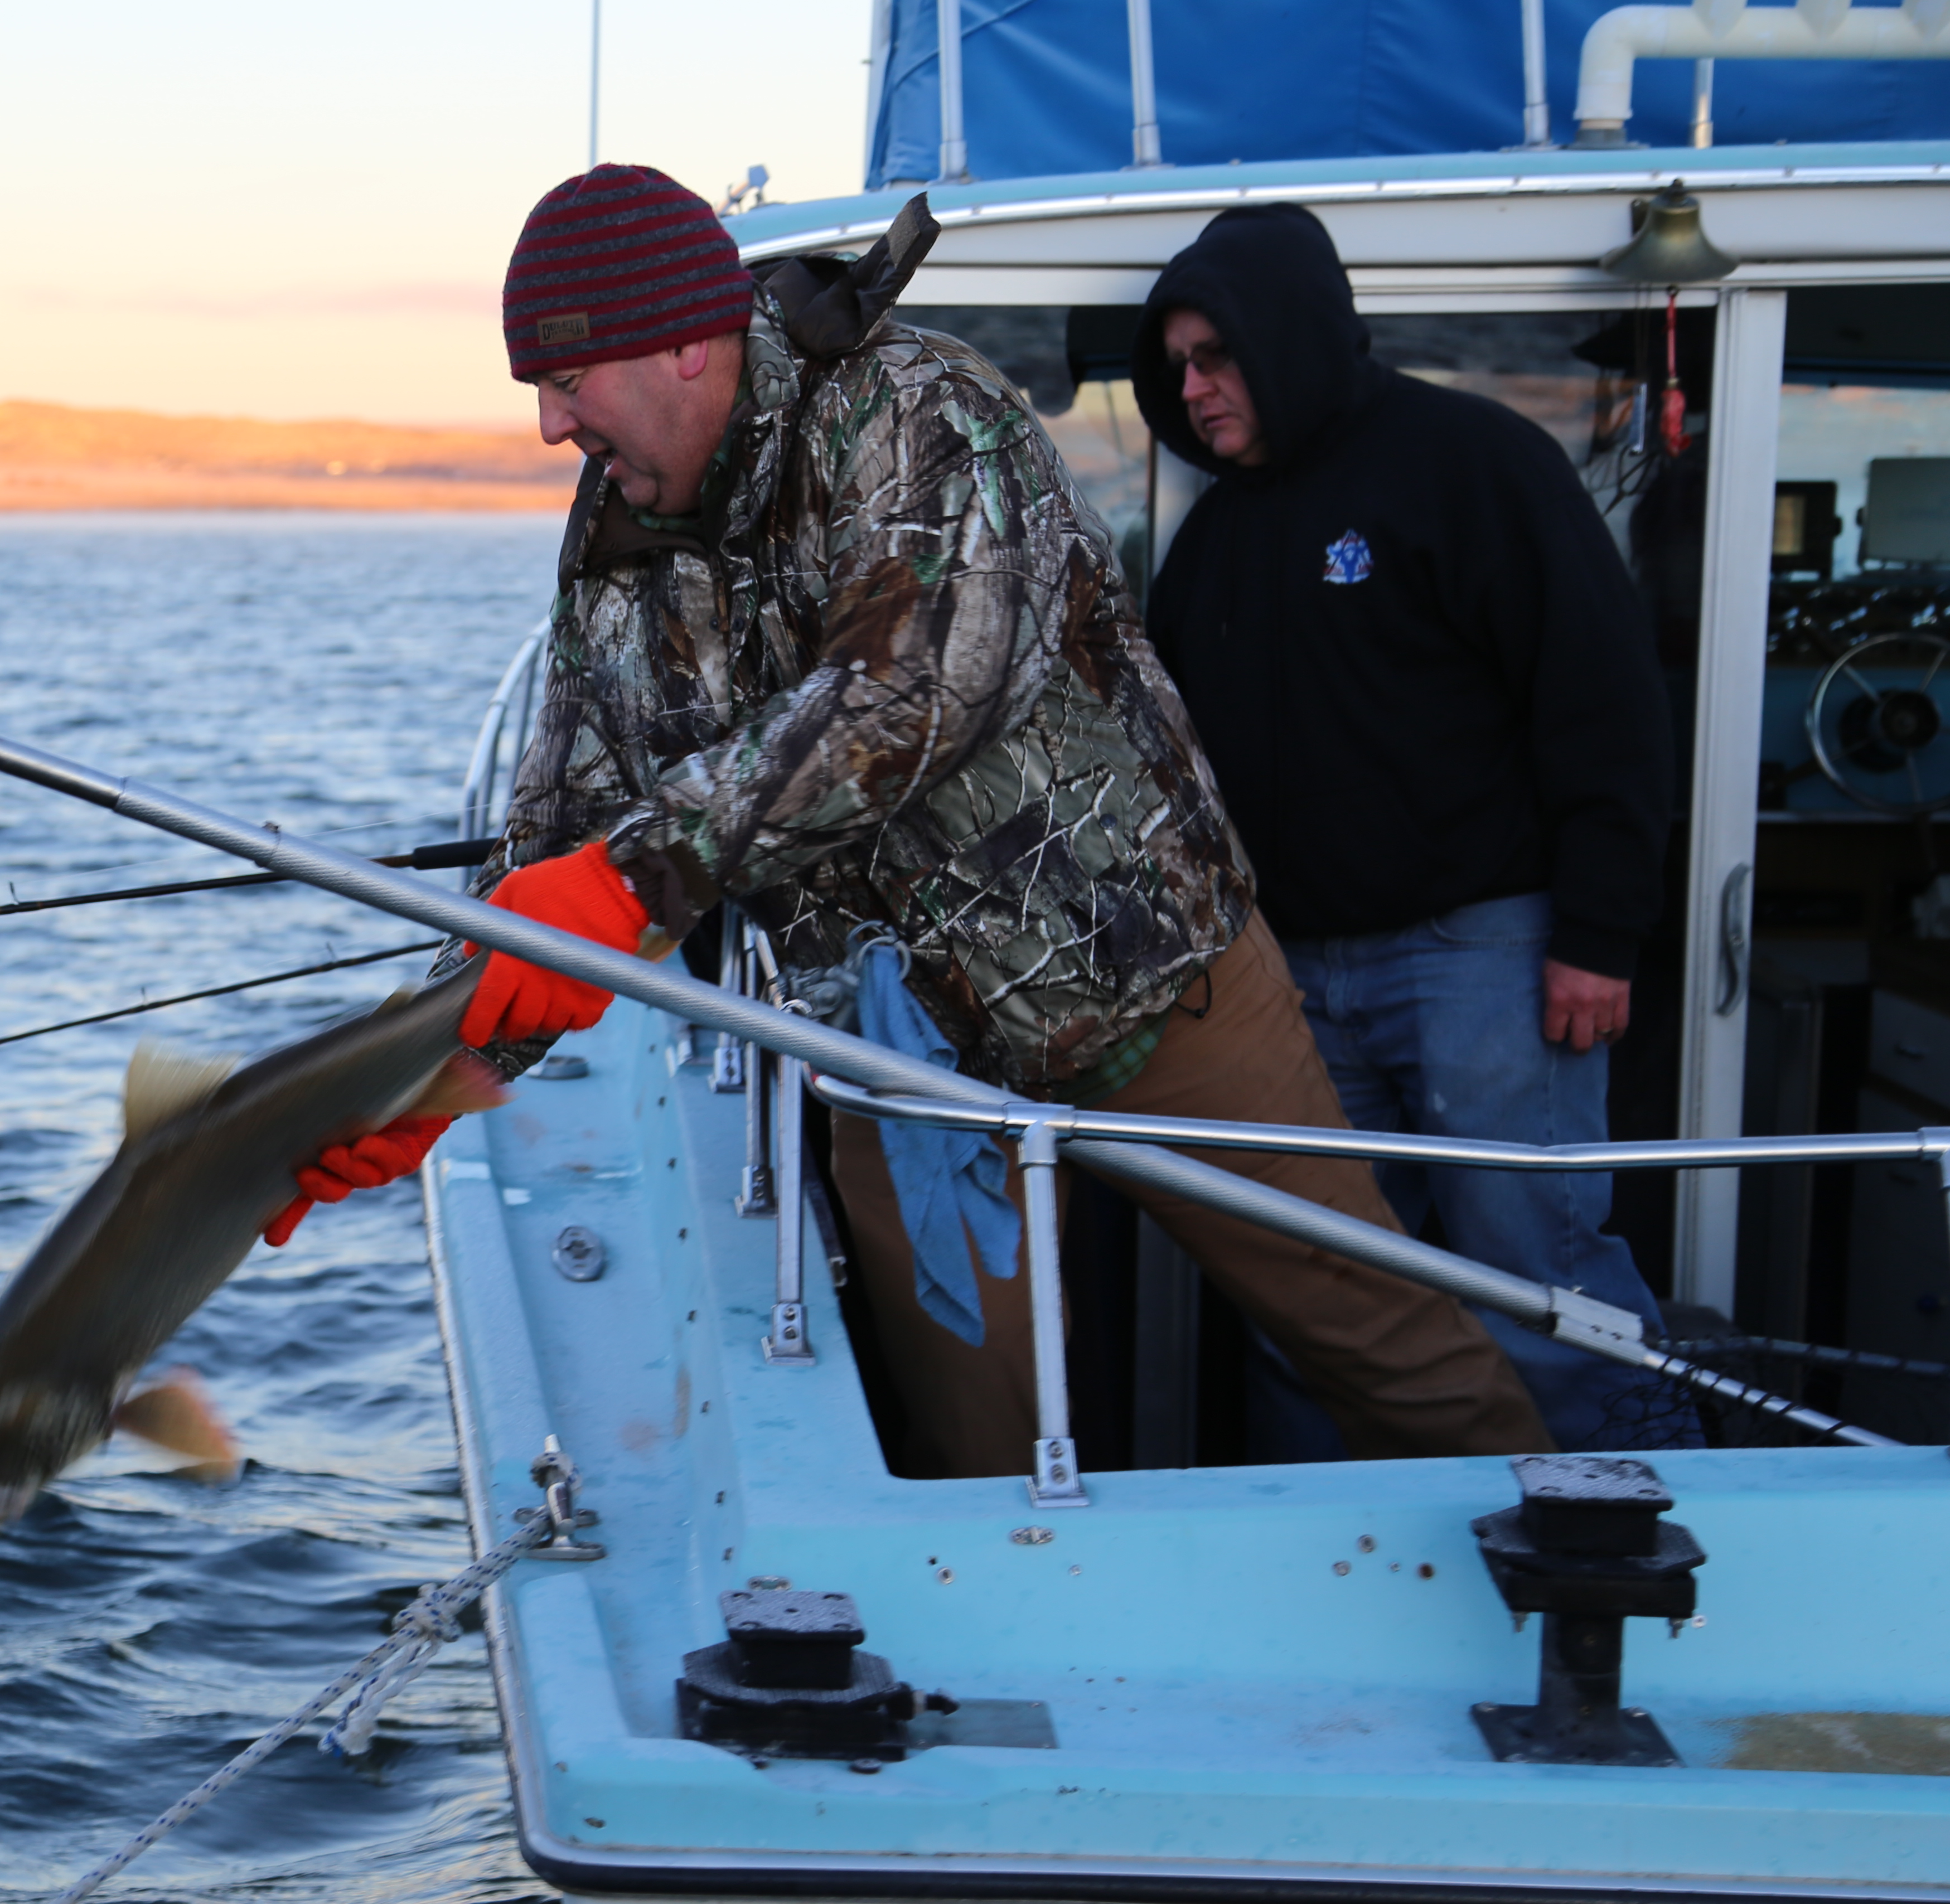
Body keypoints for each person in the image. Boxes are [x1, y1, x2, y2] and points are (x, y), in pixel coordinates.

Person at [278, 162, 1551, 1477]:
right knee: (969, 1444)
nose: (550, 426)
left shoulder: (918, 410)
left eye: (565, 380)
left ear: (683, 344)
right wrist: (420, 1072)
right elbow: (558, 835)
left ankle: (1578, 1585)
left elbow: (911, 690)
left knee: (1381, 1343)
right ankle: (1005, 1667)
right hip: (901, 1049)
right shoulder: (621, 538)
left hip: (1151, 980)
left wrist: (638, 877)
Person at [1129, 204, 1697, 1452]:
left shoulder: (1473, 466)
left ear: (1286, 339)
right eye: (1177, 367)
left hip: (1482, 952)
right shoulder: (1212, 542)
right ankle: (1339, 1558)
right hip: (1293, 982)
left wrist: (1602, 933)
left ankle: (1633, 1530)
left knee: (1532, 1263)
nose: (1194, 389)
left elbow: (1603, 701)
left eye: (1215, 358)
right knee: (1316, 1285)